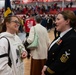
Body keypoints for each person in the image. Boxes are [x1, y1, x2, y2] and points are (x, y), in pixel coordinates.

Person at [42, 10, 76, 75]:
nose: (55, 22)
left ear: (67, 21)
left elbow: (62, 62)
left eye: (58, 19)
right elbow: (52, 54)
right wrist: (46, 65)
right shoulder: (61, 35)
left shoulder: (72, 38)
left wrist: (47, 71)